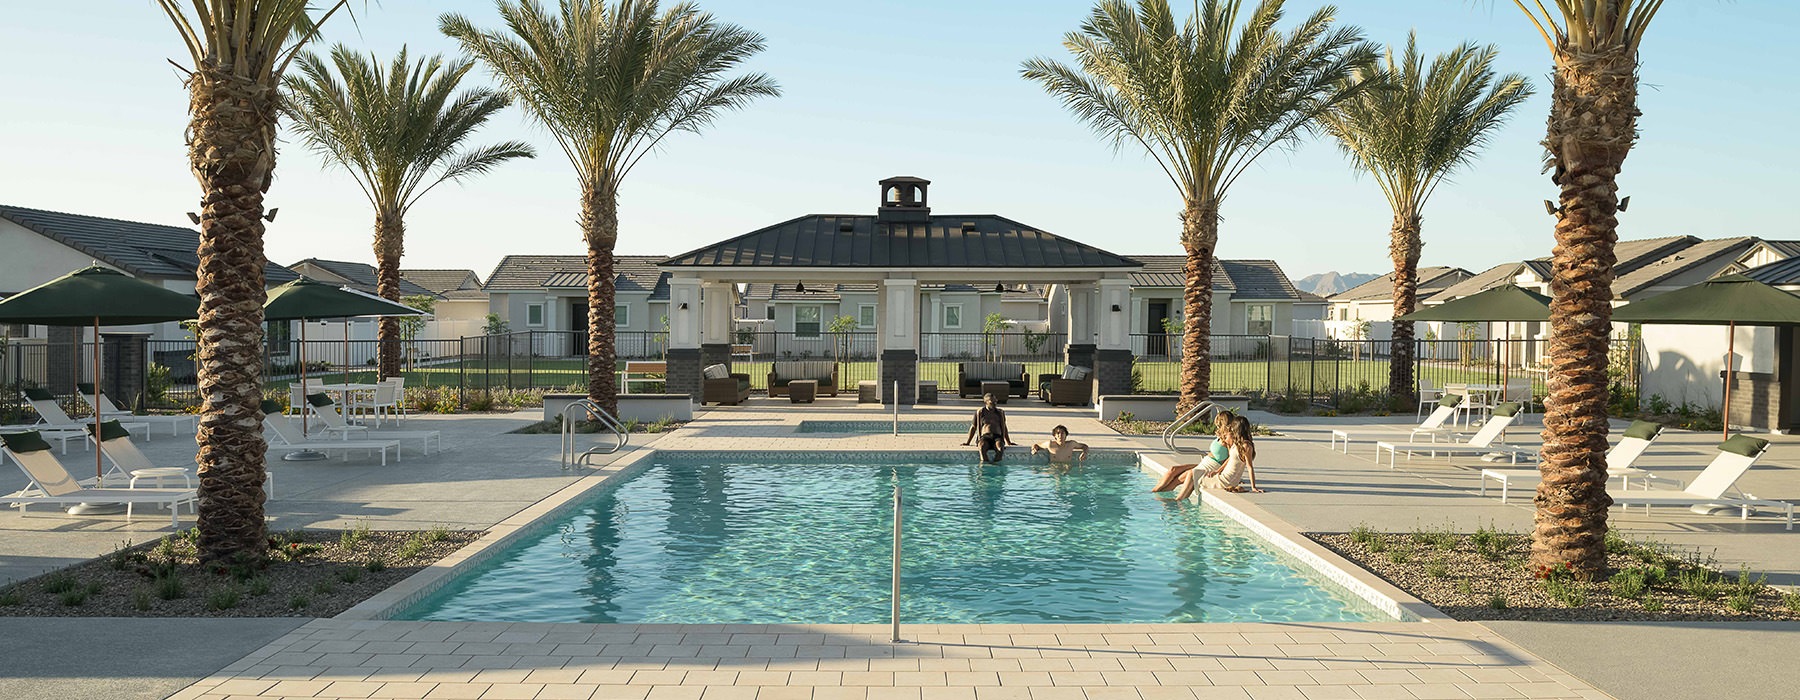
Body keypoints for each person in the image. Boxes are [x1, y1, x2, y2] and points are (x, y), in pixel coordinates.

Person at [1150, 412, 1233, 493]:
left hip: (1211, 467)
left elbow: (1231, 457)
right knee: (1173, 469)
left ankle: (1159, 497)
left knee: (1176, 481)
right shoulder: (1221, 435)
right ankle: (1153, 492)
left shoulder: (1229, 438)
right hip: (1205, 462)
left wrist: (1221, 472)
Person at [962, 393, 1016, 463]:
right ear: (986, 402)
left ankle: (995, 466)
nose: (994, 403)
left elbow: (1004, 427)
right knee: (981, 448)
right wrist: (968, 442)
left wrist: (1009, 442)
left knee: (1000, 449)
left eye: (995, 401)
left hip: (997, 437)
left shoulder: (1000, 413)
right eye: (992, 402)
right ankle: (985, 466)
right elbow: (973, 427)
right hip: (985, 437)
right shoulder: (980, 412)